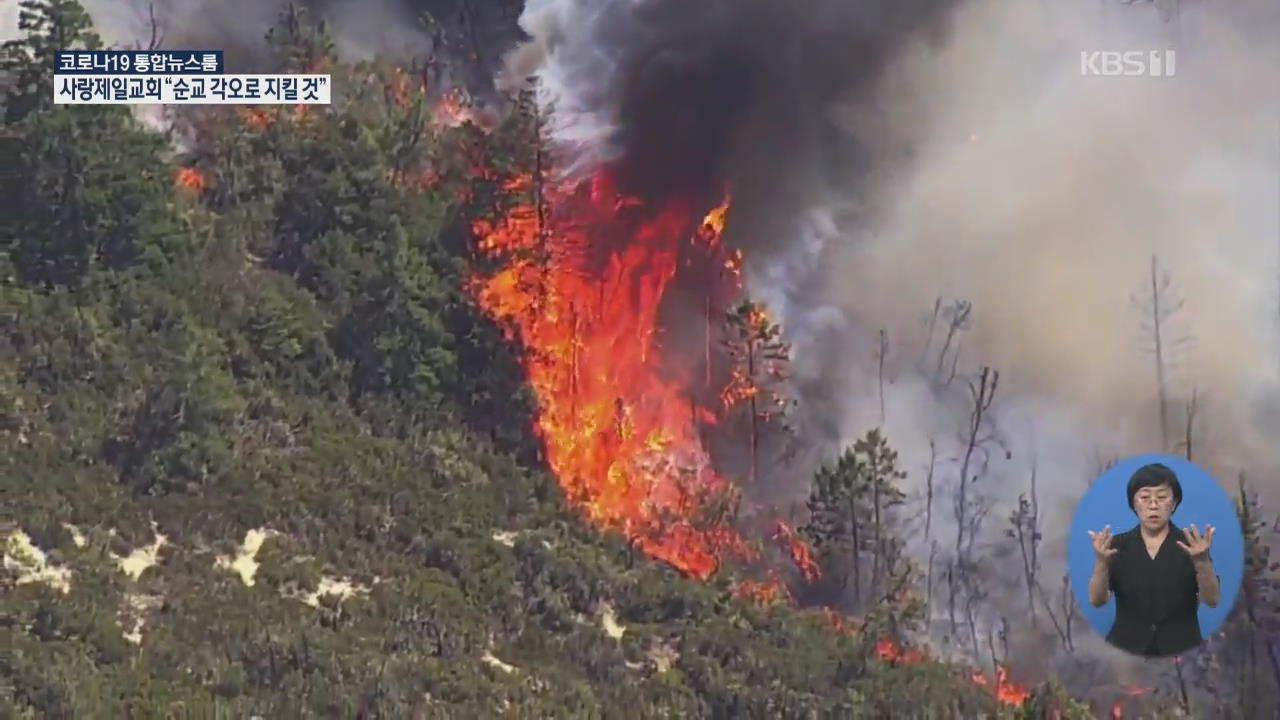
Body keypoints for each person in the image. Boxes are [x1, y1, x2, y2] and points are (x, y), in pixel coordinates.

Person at [1086, 462, 1221, 657]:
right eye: (1145, 497)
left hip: (1182, 652)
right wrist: (1101, 563)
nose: (1153, 505)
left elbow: (1212, 600)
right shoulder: (1116, 546)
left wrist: (1202, 562)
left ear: (1173, 503)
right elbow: (1097, 601)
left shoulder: (1193, 545)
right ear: (1133, 503)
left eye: (1162, 497)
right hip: (1126, 651)